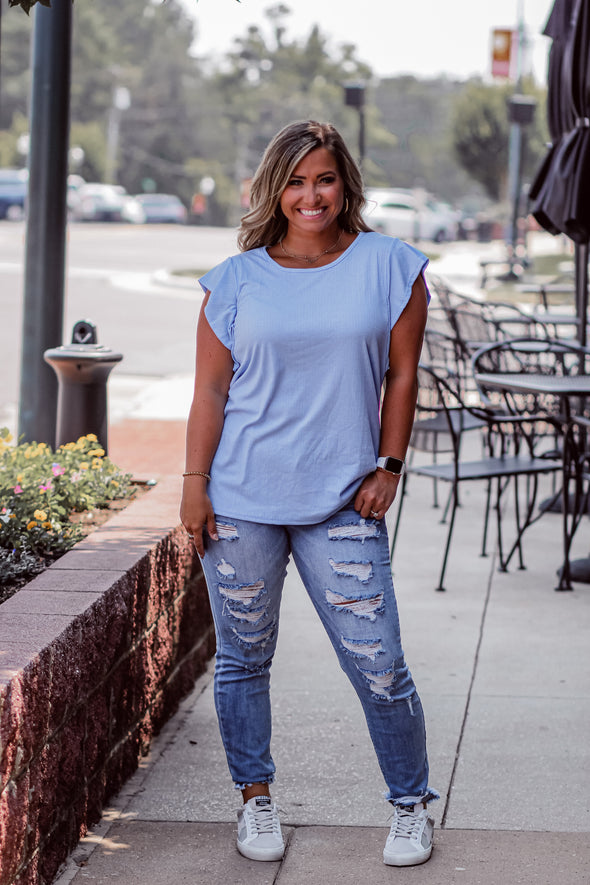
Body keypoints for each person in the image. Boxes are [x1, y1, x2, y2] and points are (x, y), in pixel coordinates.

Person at [180, 119, 438, 867]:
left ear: (344, 183)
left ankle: (410, 804)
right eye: (294, 181)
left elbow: (402, 374)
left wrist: (389, 465)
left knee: (380, 662)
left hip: (342, 501)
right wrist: (194, 488)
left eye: (323, 178)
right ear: (274, 190)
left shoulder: (391, 265)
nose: (310, 194)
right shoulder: (234, 280)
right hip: (239, 499)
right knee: (242, 658)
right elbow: (210, 392)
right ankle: (255, 801)